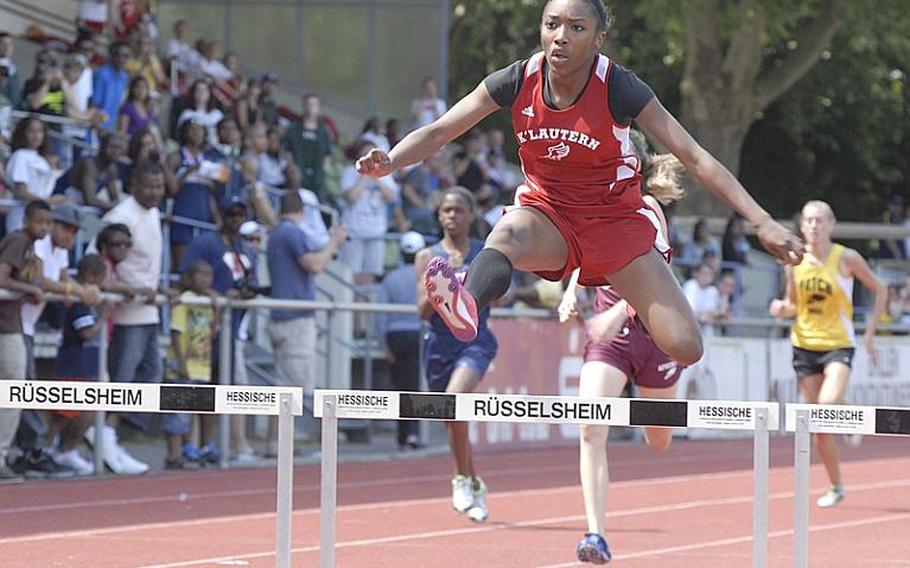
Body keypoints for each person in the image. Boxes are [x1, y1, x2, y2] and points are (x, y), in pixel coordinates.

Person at [356, 0, 802, 364]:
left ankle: (634, 315)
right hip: (548, 215)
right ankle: (467, 303)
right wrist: (391, 161)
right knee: (507, 232)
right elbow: (440, 130)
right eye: (551, 25)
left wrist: (761, 221)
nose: (561, 37)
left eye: (575, 27)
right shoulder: (517, 79)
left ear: (598, 38)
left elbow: (694, 156)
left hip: (614, 223)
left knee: (685, 347)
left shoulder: (619, 88)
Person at [557, 135, 685, 563]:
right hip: (612, 343)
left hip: (655, 334)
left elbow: (656, 271)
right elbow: (583, 254)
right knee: (590, 425)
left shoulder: (648, 208)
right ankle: (596, 535)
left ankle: (665, 398)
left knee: (659, 440)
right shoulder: (588, 203)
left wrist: (620, 311)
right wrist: (571, 291)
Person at [770, 200, 887, 508]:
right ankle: (836, 485)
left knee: (824, 407)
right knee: (816, 425)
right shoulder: (794, 261)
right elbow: (793, 303)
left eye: (820, 220)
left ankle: (842, 404)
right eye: (809, 220)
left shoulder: (845, 257)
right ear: (802, 225)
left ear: (832, 224)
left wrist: (870, 334)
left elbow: (881, 289)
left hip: (838, 343)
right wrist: (782, 309)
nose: (814, 225)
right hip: (804, 344)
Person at [414, 187, 497, 523]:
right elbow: (421, 311)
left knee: (454, 399)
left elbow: (499, 297)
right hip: (438, 344)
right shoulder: (427, 256)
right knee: (452, 416)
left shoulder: (484, 252)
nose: (452, 215)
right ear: (439, 215)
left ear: (471, 214)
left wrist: (464, 288)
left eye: (459, 210)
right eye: (446, 210)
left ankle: (460, 480)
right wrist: (440, 287)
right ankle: (474, 483)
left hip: (475, 339)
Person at [92, 161, 171, 476]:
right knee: (121, 380)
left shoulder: (153, 213)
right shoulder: (119, 216)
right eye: (149, 187)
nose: (154, 193)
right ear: (134, 184)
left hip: (149, 310)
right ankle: (105, 435)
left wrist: (159, 287)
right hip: (124, 314)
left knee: (151, 376)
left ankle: (109, 431)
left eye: (159, 187)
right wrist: (126, 289)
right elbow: (96, 262)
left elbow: (147, 264)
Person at [265, 192, 347, 455]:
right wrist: (334, 243)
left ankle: (276, 443)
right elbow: (314, 265)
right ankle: (279, 445)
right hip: (295, 318)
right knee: (292, 388)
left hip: (284, 316)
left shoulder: (279, 231)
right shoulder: (292, 232)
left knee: (284, 385)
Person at [43, 254, 113, 476]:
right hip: (72, 367)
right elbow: (85, 333)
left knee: (84, 413)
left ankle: (65, 451)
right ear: (92, 278)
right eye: (102, 279)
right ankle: (41, 450)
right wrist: (103, 316)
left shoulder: (87, 302)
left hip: (84, 367)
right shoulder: (80, 304)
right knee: (62, 414)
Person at [0, 200, 51, 481]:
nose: (44, 227)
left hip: (11, 323)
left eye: (48, 223)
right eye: (39, 222)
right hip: (5, 327)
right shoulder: (18, 241)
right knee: (13, 391)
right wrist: (27, 288)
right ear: (27, 220)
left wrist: (31, 287)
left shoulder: (30, 248)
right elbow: (1, 278)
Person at [164, 260, 220, 469]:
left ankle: (197, 448)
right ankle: (174, 454)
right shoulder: (184, 301)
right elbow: (176, 333)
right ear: (189, 278)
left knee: (200, 408)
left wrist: (217, 308)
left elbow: (214, 331)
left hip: (201, 366)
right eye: (201, 274)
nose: (206, 279)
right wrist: (181, 363)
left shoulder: (207, 303)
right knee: (178, 411)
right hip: (183, 367)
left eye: (209, 275)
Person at [377, 231, 427, 450]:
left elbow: (380, 315)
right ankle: (414, 434)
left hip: (395, 336)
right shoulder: (425, 277)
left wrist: (384, 345)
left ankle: (401, 435)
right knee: (415, 386)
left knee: (400, 386)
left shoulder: (391, 278)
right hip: (418, 335)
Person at [5, 117, 65, 233]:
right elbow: (22, 192)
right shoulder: (20, 156)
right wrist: (49, 201)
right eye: (31, 131)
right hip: (23, 217)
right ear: (23, 133)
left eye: (40, 131)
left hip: (42, 219)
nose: (36, 135)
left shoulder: (42, 160)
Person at [283, 93, 335, 203]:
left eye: (314, 105)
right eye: (309, 104)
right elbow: (287, 150)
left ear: (319, 107)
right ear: (303, 106)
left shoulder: (324, 131)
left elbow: (328, 153)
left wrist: (323, 171)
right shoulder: (294, 128)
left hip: (317, 180)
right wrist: (292, 169)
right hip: (298, 178)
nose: (311, 107)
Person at [92, 41, 131, 131]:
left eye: (125, 56)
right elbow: (95, 103)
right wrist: (99, 124)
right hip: (98, 125)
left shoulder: (124, 77)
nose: (121, 59)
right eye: (118, 55)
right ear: (112, 55)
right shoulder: (102, 74)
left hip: (111, 125)